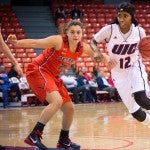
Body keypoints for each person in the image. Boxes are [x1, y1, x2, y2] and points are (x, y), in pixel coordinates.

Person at [7, 20, 106, 149]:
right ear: (67, 33)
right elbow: (35, 43)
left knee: (69, 109)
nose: (75, 35)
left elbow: (99, 55)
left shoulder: (82, 47)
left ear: (82, 34)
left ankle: (63, 140)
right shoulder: (58, 41)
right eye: (72, 32)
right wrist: (16, 43)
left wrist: (111, 61)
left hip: (53, 76)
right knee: (56, 101)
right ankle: (34, 135)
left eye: (78, 32)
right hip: (38, 70)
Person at [90, 2, 150, 126]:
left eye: (125, 15)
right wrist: (97, 52)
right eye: (119, 15)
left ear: (132, 16)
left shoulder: (139, 31)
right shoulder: (110, 30)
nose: (121, 19)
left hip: (134, 67)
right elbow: (93, 41)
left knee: (142, 100)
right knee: (135, 112)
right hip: (118, 73)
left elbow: (145, 49)